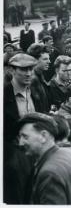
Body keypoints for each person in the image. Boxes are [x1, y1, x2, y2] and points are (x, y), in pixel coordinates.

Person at [18, 112, 71, 204]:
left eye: (25, 137)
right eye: (20, 137)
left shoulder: (49, 173)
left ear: (43, 136)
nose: (20, 143)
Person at [3, 53, 38, 204]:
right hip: (13, 157)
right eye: (23, 70)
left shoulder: (36, 90)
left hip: (35, 152)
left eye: (31, 69)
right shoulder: (4, 95)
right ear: (11, 70)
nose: (29, 73)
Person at [28, 43, 51, 113]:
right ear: (34, 60)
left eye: (49, 59)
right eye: (45, 59)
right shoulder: (32, 79)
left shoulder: (40, 74)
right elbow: (38, 108)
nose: (49, 62)